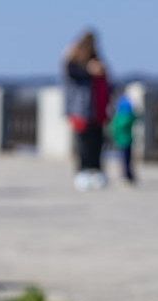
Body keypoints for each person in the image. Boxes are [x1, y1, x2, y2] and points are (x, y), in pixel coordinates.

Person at [63, 30, 110, 191]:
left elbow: (107, 81)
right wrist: (89, 70)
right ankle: (83, 173)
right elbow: (72, 73)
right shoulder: (74, 62)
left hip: (97, 111)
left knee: (97, 142)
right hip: (81, 110)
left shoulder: (96, 60)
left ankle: (96, 172)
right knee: (83, 144)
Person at [109, 86, 138, 184]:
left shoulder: (119, 119)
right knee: (128, 159)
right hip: (128, 140)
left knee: (124, 159)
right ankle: (129, 174)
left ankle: (126, 175)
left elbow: (113, 128)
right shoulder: (130, 118)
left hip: (121, 141)